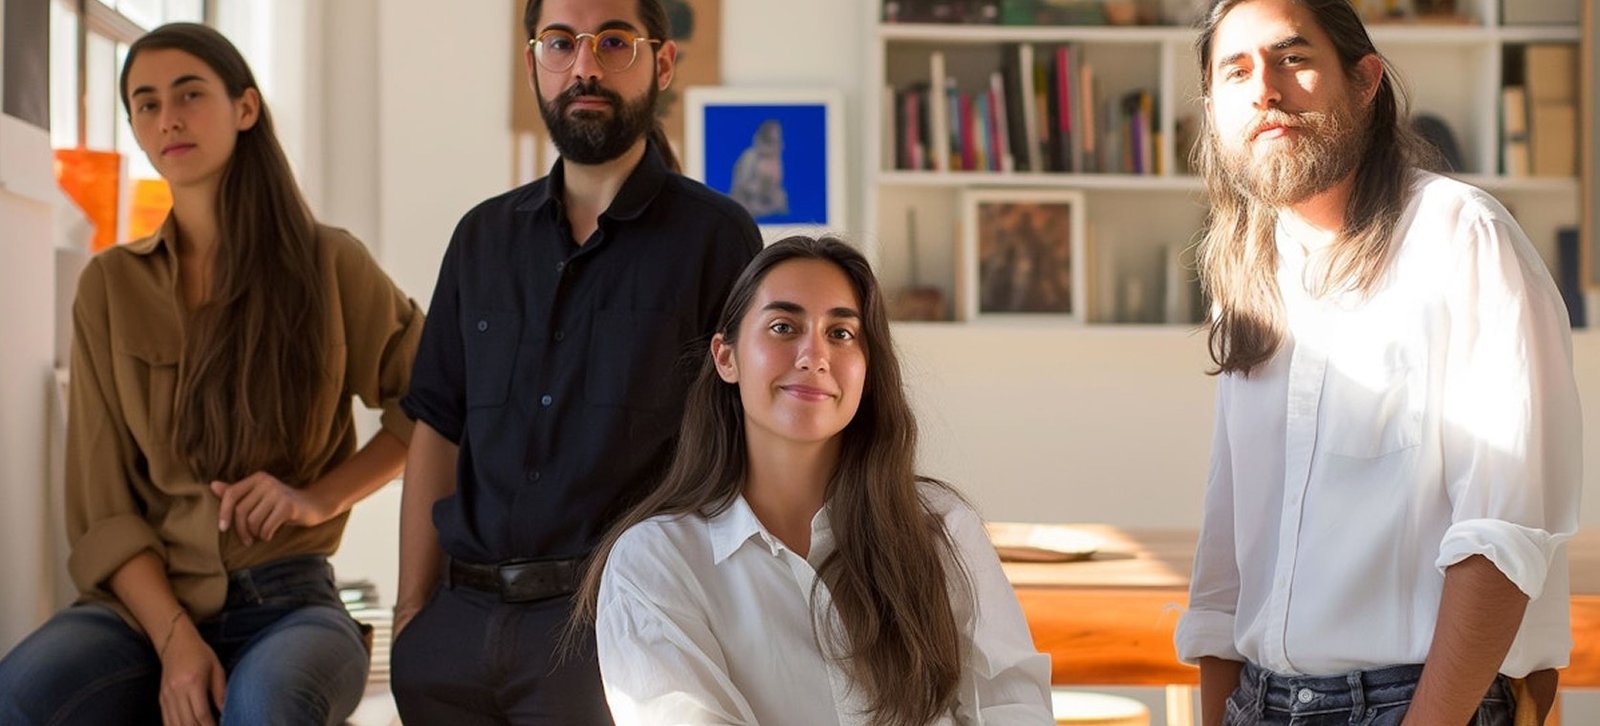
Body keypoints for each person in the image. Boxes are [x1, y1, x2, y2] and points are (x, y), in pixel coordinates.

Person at [0, 22, 423, 726]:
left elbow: (437, 399)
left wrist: (317, 500)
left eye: (189, 94)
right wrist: (176, 641)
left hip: (293, 603)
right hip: (143, 611)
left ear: (244, 108)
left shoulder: (331, 264)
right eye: (146, 103)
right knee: (18, 696)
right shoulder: (110, 287)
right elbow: (103, 509)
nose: (168, 117)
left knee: (265, 707)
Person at [1174, 2, 1581, 725]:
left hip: (1417, 703)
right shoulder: (1249, 279)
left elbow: (1502, 536)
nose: (1264, 89)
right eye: (1235, 72)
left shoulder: (1462, 236)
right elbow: (1225, 564)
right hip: (1257, 702)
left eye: (1293, 59)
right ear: (1213, 110)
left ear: (1365, 80)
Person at [389, 0, 762, 721]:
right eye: (560, 43)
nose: (584, 66)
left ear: (662, 62)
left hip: (609, 630)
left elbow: (745, 447)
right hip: (454, 636)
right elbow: (437, 425)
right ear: (534, 61)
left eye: (613, 42)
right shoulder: (480, 238)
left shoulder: (717, 238)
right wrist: (413, 616)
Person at [575, 236, 1054, 725]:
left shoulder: (942, 526)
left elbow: (1014, 708)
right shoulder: (654, 561)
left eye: (841, 333)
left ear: (868, 368)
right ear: (726, 357)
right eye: (783, 327)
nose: (814, 355)